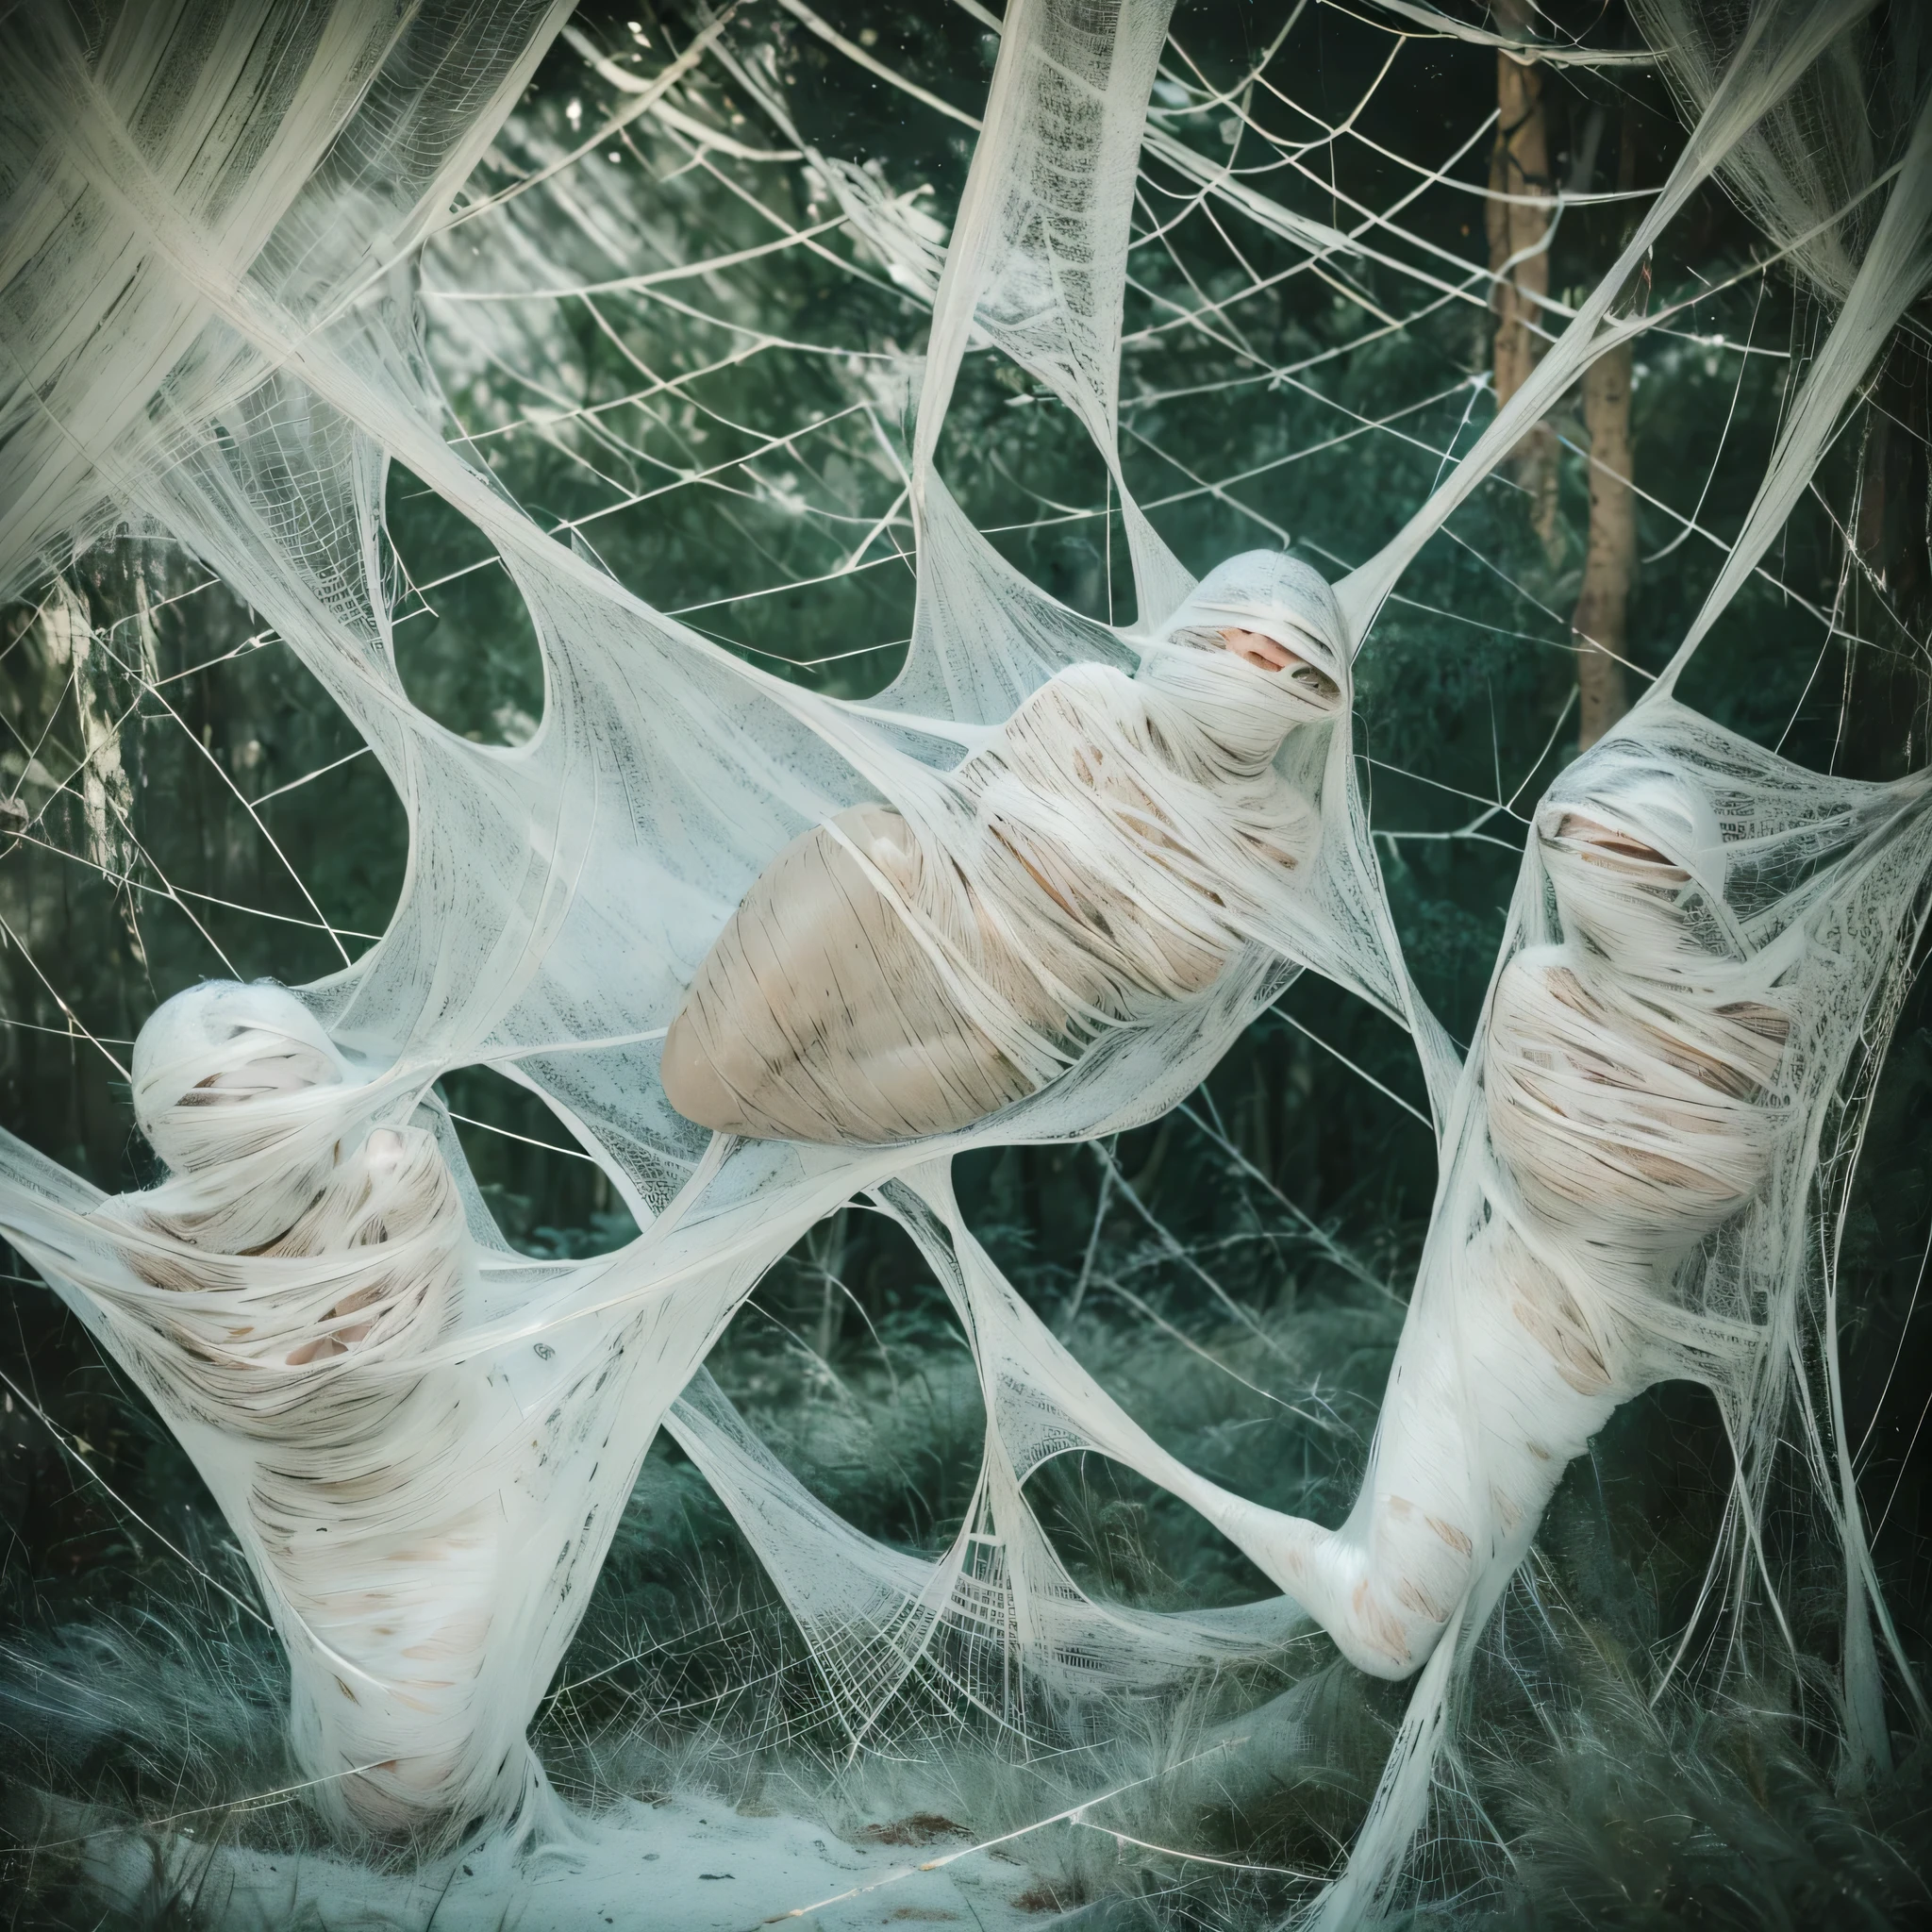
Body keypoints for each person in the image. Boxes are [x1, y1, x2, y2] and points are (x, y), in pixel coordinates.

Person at [662, 551, 1347, 1144]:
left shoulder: (1280, 833)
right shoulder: (1093, 704)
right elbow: (961, 810)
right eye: (1257, 657)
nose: (1269, 684)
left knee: (719, 1099)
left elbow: (1187, 977)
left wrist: (1113, 856)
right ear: (1205, 634)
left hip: (999, 1036)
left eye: (1299, 680)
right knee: (701, 1071)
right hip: (894, 903)